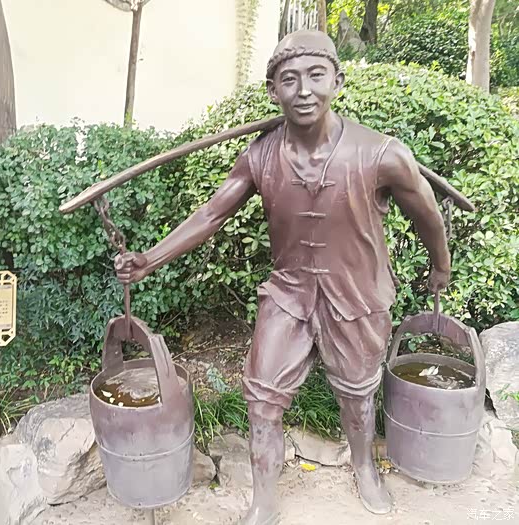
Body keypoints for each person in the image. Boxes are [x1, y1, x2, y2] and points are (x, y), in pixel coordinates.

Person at [115, 30, 450, 525]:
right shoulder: (260, 156)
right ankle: (264, 498)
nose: (304, 90)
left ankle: (364, 466)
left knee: (357, 394)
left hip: (356, 297)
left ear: (337, 80)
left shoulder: (381, 154)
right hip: (289, 294)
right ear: (274, 91)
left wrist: (440, 264)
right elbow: (211, 214)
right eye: (289, 80)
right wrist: (150, 259)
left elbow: (427, 214)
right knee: (262, 397)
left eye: (316, 75)